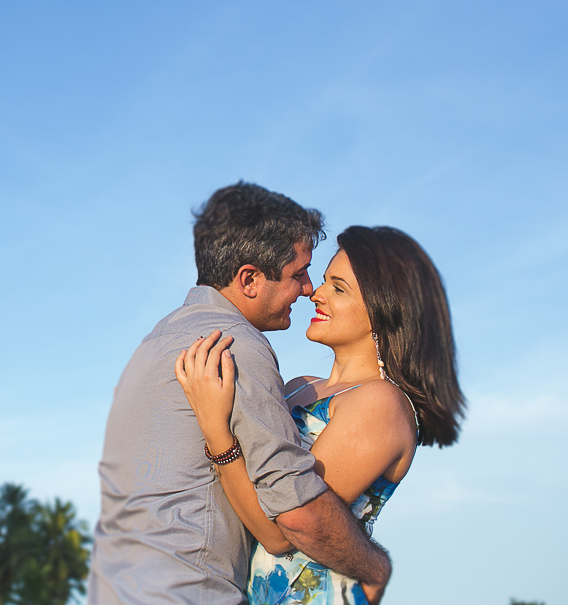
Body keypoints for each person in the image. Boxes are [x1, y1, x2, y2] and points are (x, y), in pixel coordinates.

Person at [88, 183, 392, 605]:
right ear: (249, 279)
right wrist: (376, 567)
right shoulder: (234, 347)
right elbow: (295, 517)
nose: (308, 289)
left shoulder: (157, 341)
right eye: (298, 274)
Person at [175, 225, 465, 605]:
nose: (315, 292)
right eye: (324, 280)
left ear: (383, 311)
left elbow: (284, 530)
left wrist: (217, 432)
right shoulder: (298, 386)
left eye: (338, 288)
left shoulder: (382, 405)